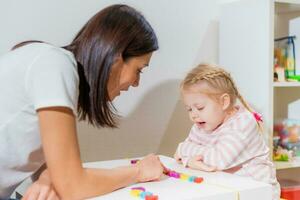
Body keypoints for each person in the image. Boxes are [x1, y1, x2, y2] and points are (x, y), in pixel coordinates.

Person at [0, 4, 165, 200]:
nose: (136, 83)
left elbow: (57, 169)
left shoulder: (49, 63)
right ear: (117, 57)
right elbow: (73, 185)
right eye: (139, 70)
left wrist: (50, 175)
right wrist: (139, 171)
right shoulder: (55, 65)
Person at [174, 64, 280, 200]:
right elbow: (179, 157)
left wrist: (184, 148)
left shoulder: (243, 123)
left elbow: (219, 159)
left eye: (199, 108)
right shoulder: (201, 124)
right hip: (226, 188)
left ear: (224, 102)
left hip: (257, 192)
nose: (193, 115)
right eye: (189, 109)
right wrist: (189, 161)